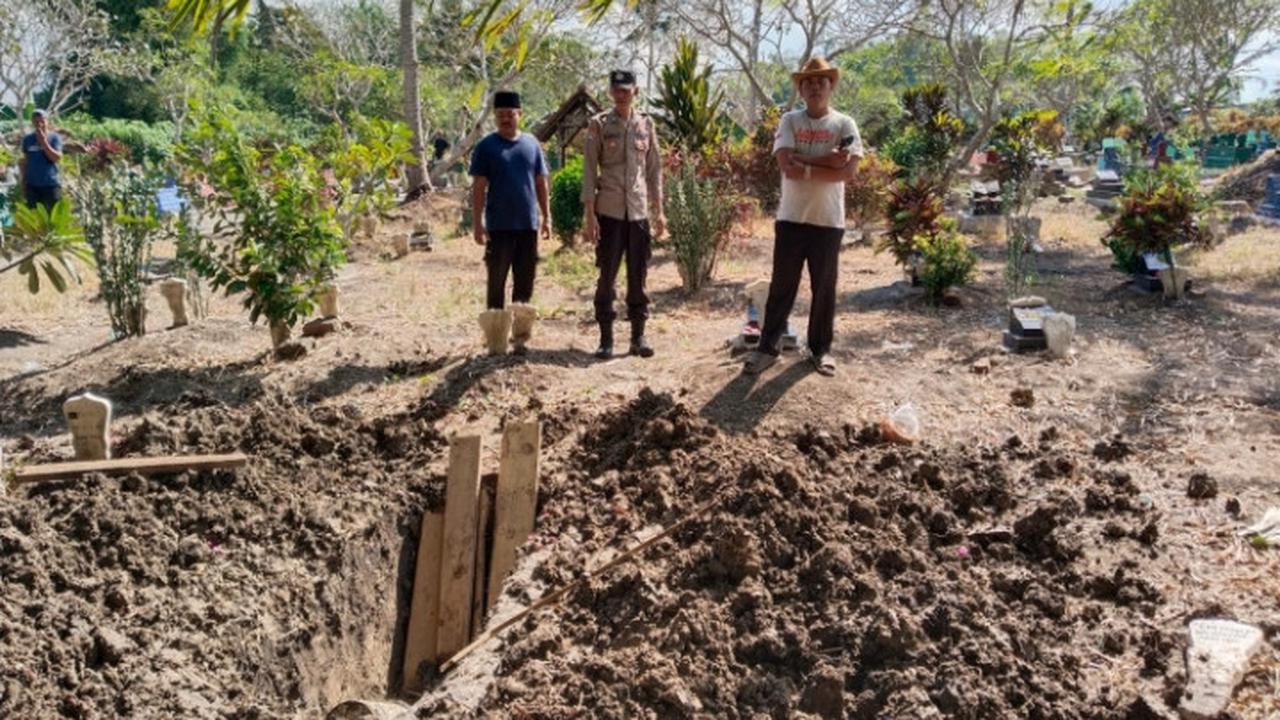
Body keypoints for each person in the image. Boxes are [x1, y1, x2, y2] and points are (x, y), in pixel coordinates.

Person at [743, 57, 862, 377]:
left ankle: (820, 350)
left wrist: (805, 162)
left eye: (821, 81)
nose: (815, 87)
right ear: (800, 88)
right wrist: (827, 161)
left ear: (831, 86)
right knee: (782, 287)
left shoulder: (845, 124)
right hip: (791, 219)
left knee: (824, 289)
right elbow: (786, 166)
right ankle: (767, 349)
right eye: (808, 82)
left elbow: (848, 172)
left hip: (829, 221)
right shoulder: (790, 121)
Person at [581, 70, 667, 360]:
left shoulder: (646, 124)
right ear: (610, 92)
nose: (621, 95)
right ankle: (606, 339)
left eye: (626, 90)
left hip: (638, 212)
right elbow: (589, 171)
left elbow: (654, 170)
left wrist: (659, 211)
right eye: (616, 90)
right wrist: (589, 215)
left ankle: (638, 337)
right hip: (609, 211)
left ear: (635, 92)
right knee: (607, 275)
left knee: (638, 275)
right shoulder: (599, 124)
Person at [469, 91, 551, 355]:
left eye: (510, 114)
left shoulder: (531, 144)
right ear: (495, 116)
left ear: (520, 114)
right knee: (496, 281)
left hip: (528, 225)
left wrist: (546, 217)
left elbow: (541, 182)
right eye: (500, 114)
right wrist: (478, 223)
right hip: (498, 227)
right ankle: (496, 339)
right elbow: (478, 187)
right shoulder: (486, 147)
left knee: (525, 281)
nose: (505, 118)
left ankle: (521, 335)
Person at [19, 110, 63, 211]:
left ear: (47, 121)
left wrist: (43, 142)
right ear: (32, 122)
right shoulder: (27, 139)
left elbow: (56, 158)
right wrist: (23, 183)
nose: (39, 124)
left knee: (53, 216)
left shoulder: (55, 138)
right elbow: (26, 161)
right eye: (36, 122)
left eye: (42, 121)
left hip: (51, 185)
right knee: (34, 217)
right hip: (32, 186)